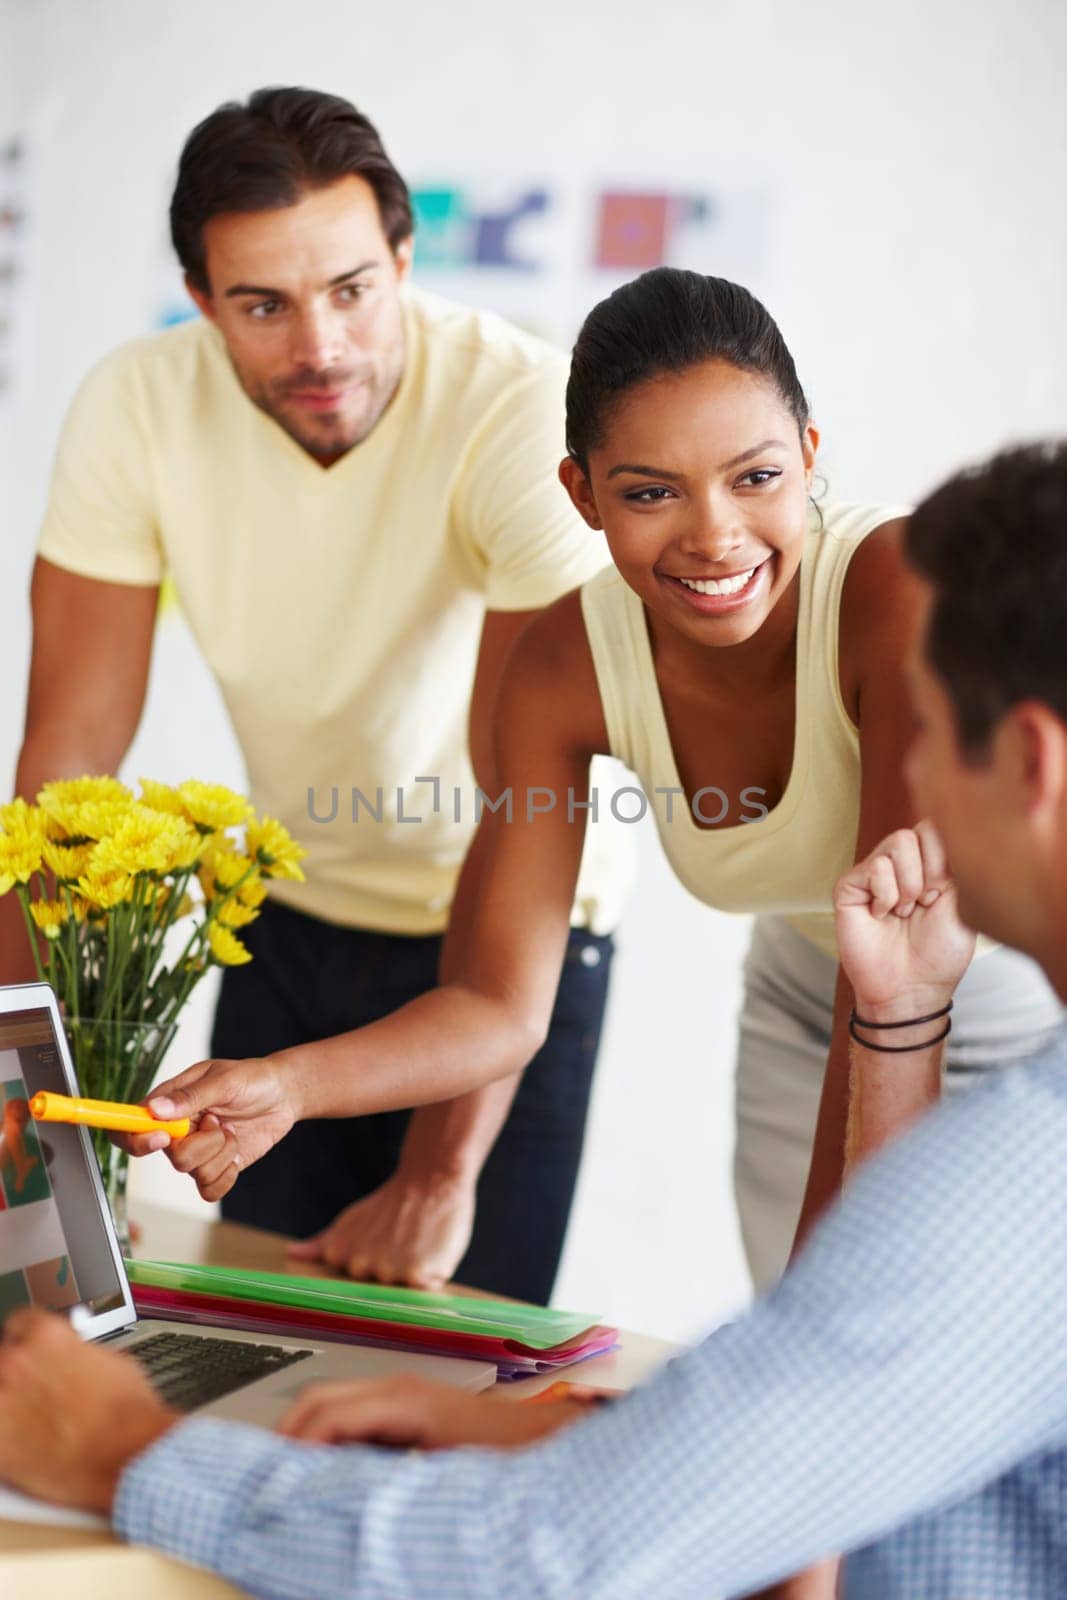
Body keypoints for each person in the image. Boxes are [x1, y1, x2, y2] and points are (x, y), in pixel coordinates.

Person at [3, 441, 1067, 1599]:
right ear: (587, 494)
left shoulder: (1019, 1171)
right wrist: (586, 1446)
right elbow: (846, 1419)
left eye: (923, 734)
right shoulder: (574, 653)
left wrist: (128, 1454)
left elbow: (545, 1557)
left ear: (1024, 762)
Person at [137, 270, 1060, 1297]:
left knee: (879, 1337)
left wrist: (818, 1330)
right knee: (821, 1337)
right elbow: (497, 1005)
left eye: (753, 476)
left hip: (1005, 998)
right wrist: (282, 1086)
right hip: (804, 1002)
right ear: (581, 494)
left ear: (807, 454)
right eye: (650, 492)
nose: (711, 534)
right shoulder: (563, 666)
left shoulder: (890, 591)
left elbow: (897, 966)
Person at [6, 86, 632, 1303]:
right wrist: (12, 1080)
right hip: (289, 918)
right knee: (244, 1339)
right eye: (263, 305)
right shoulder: (136, 407)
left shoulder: (519, 415)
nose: (320, 347)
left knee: (449, 1376)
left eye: (351, 288)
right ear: (200, 304)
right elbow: (62, 767)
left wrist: (442, 1172)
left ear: (402, 258)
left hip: (504, 940)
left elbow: (525, 803)